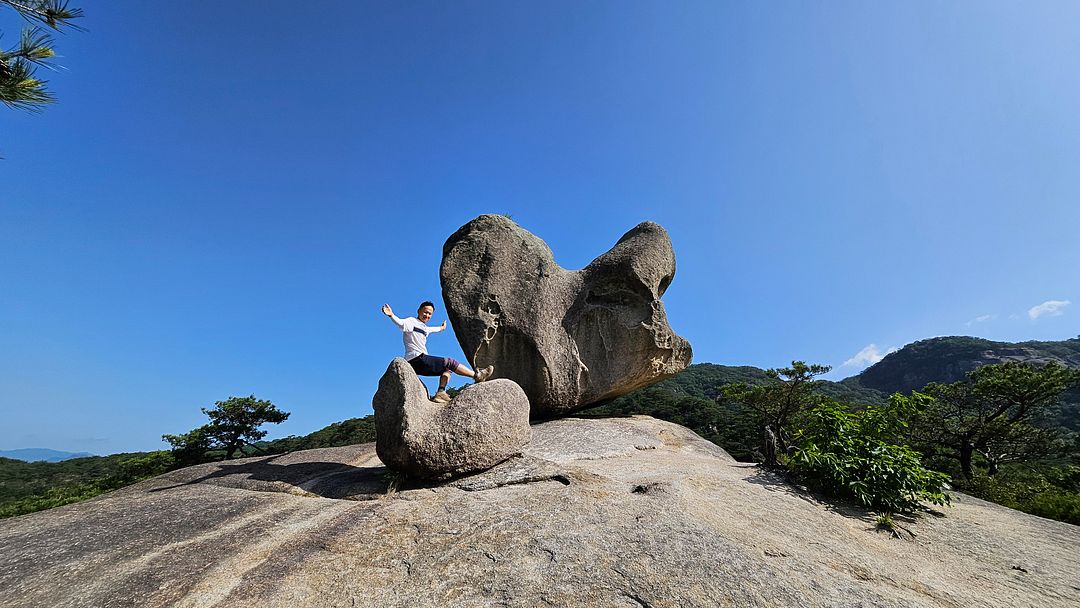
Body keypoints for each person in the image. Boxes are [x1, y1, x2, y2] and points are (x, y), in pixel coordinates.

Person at [381, 301, 493, 403]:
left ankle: (440, 393)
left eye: (430, 314)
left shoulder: (424, 328)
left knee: (448, 369)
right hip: (416, 359)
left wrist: (442, 328)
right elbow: (400, 323)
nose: (427, 315)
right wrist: (391, 315)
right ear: (418, 311)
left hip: (420, 363)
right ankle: (477, 375)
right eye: (425, 312)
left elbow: (432, 329)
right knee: (450, 362)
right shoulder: (411, 321)